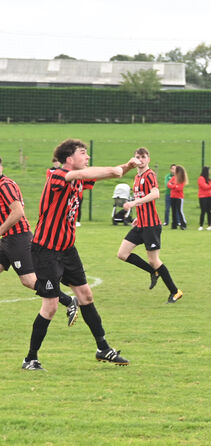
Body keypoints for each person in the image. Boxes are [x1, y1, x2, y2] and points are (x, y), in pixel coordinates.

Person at [23, 139, 136, 371]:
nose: (87, 157)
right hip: (46, 250)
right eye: (83, 153)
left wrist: (126, 166)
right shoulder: (56, 175)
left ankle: (103, 348)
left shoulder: (79, 179)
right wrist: (114, 171)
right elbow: (84, 174)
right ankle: (30, 359)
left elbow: (102, 174)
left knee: (86, 296)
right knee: (51, 307)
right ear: (69, 159)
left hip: (67, 249)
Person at [0, 156, 79, 326]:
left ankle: (69, 300)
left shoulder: (4, 185)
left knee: (29, 280)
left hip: (18, 238)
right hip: (7, 239)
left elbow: (18, 212)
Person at [115, 147, 183, 304]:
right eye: (138, 157)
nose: (141, 159)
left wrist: (134, 203)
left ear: (148, 159)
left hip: (151, 225)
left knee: (154, 260)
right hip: (141, 224)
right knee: (122, 254)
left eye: (143, 157)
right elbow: (143, 198)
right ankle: (153, 272)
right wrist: (138, 216)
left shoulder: (149, 174)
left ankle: (175, 291)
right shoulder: (137, 178)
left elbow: (155, 194)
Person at [167, 164, 188, 230]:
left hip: (179, 197)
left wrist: (173, 186)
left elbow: (179, 188)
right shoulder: (173, 178)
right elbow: (168, 185)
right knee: (173, 211)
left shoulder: (181, 179)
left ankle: (183, 224)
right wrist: (174, 186)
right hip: (172, 196)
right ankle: (174, 225)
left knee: (180, 211)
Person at [197, 166, 211, 230]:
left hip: (209, 196)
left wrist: (208, 186)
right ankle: (201, 225)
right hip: (202, 197)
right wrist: (209, 186)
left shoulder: (209, 179)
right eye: (209, 170)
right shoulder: (201, 178)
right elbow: (204, 186)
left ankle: (209, 225)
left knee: (209, 211)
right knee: (203, 211)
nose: (210, 172)